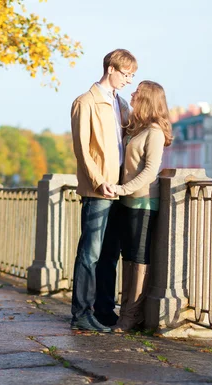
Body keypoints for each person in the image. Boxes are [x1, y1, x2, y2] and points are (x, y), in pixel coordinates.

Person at [70, 49, 137, 332]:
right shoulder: (85, 102)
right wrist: (99, 181)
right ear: (111, 69)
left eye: (132, 76)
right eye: (126, 74)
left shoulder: (120, 103)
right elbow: (82, 149)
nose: (129, 80)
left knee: (110, 254)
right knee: (90, 254)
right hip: (99, 189)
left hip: (119, 188)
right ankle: (81, 314)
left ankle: (104, 311)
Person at [110, 81, 173, 333]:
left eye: (137, 92)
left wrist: (122, 189)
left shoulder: (155, 132)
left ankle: (131, 317)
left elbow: (150, 172)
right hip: (126, 201)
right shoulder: (137, 128)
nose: (132, 94)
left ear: (147, 98)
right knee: (127, 258)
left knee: (138, 259)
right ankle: (124, 312)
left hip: (143, 202)